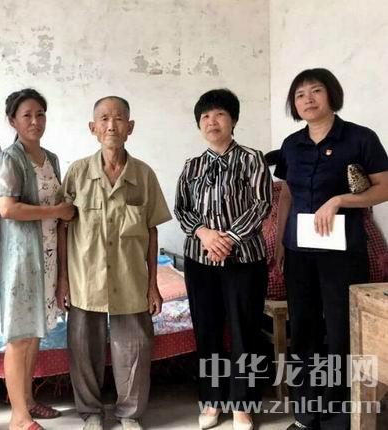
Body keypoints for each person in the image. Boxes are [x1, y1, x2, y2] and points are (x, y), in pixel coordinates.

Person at [274, 68, 388, 430]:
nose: (308, 99)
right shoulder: (291, 144)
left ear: (331, 95)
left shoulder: (359, 138)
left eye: (316, 91)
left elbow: (384, 188)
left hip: (343, 253)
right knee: (303, 330)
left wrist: (340, 200)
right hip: (299, 252)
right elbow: (287, 195)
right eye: (300, 95)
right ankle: (306, 415)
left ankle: (338, 417)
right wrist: (279, 241)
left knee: (341, 332)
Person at [56, 96, 171, 430]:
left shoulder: (144, 175)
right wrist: (63, 280)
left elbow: (151, 231)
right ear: (92, 128)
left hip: (130, 278)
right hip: (85, 278)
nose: (111, 125)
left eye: (119, 118)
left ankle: (129, 414)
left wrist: (153, 285)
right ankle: (91, 412)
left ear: (130, 127)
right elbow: (62, 228)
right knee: (82, 348)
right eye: (104, 119)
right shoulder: (77, 173)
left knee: (135, 348)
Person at [174, 89, 271, 430]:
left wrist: (228, 238)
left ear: (233, 120)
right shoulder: (192, 166)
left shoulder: (252, 159)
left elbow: (261, 204)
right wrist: (205, 234)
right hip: (200, 261)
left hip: (244, 259)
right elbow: (182, 209)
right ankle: (212, 399)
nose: (212, 121)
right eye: (205, 116)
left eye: (219, 114)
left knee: (245, 331)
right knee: (208, 330)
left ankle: (243, 404)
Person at [0, 88, 74, 430]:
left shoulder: (51, 158)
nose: (35, 121)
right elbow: (7, 209)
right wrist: (57, 211)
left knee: (36, 332)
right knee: (20, 336)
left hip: (49, 258)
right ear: (12, 120)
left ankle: (28, 401)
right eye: (27, 115)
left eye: (40, 114)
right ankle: (18, 417)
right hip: (22, 260)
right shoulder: (10, 158)